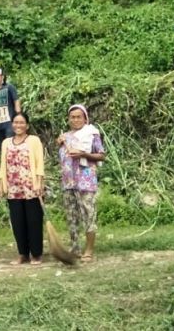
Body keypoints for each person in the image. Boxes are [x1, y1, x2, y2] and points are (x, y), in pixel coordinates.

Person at [57, 104, 105, 262]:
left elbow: (101, 155)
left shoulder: (91, 134)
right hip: (68, 182)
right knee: (72, 217)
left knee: (88, 215)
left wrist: (84, 153)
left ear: (85, 118)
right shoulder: (65, 137)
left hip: (86, 180)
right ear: (68, 119)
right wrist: (60, 144)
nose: (75, 119)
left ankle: (89, 250)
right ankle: (74, 248)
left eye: (79, 117)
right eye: (72, 117)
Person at [0, 113, 45, 265]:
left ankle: (36, 254)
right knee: (18, 222)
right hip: (13, 188)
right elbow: (3, 165)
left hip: (31, 187)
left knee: (34, 221)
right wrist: (1, 184)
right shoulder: (6, 142)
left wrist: (40, 183)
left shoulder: (34, 140)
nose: (18, 125)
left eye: (21, 122)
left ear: (27, 125)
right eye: (15, 122)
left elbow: (39, 163)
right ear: (12, 124)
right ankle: (22, 253)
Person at [0, 68, 22, 147]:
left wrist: (18, 117)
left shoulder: (9, 87)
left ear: (2, 77)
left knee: (11, 146)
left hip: (9, 124)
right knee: (2, 148)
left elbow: (16, 101)